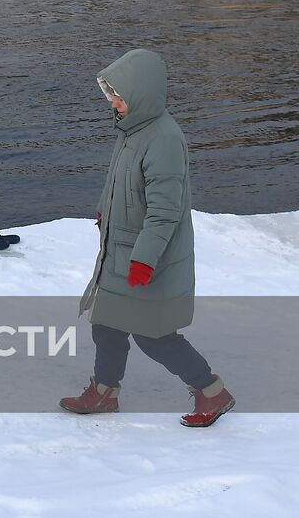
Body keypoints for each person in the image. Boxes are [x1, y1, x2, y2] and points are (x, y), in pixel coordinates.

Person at [62, 50, 235, 427]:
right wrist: (106, 215)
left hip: (146, 256)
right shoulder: (132, 129)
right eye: (111, 97)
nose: (114, 104)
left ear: (142, 94)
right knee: (105, 322)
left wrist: (143, 259)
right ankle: (105, 392)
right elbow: (124, 187)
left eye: (120, 97)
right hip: (120, 248)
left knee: (152, 334)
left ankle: (212, 391)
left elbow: (164, 211)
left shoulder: (164, 139)